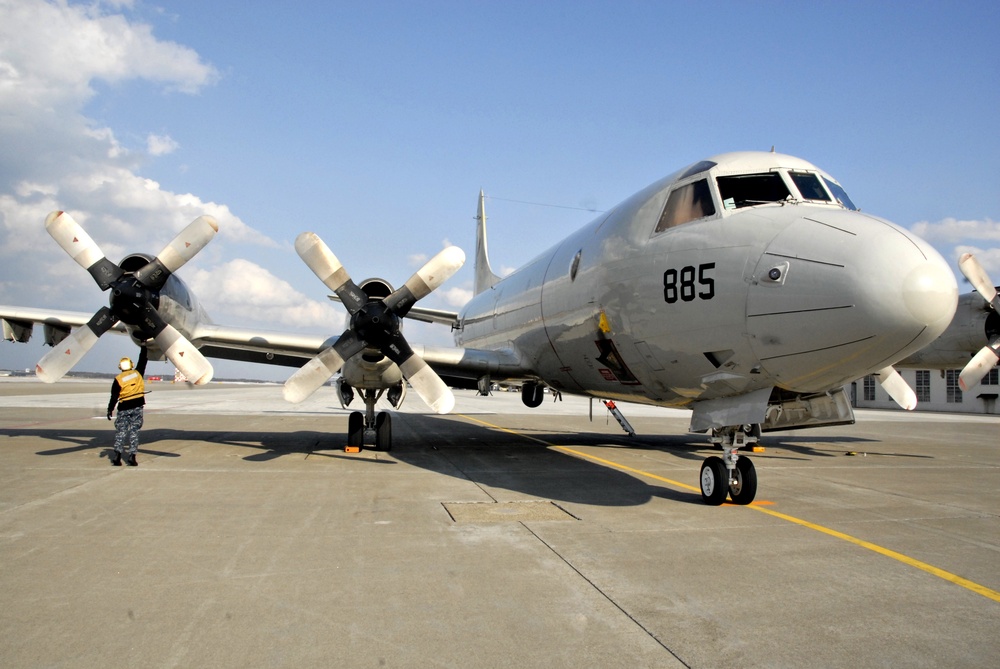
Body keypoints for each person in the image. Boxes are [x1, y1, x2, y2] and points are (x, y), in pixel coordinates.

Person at [107, 346, 148, 466]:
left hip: (123, 407)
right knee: (134, 432)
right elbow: (143, 360)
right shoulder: (138, 373)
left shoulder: (118, 379)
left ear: (120, 367)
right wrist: (144, 346)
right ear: (131, 364)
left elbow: (114, 397)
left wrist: (110, 409)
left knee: (121, 432)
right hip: (137, 406)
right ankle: (132, 457)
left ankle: (117, 457)